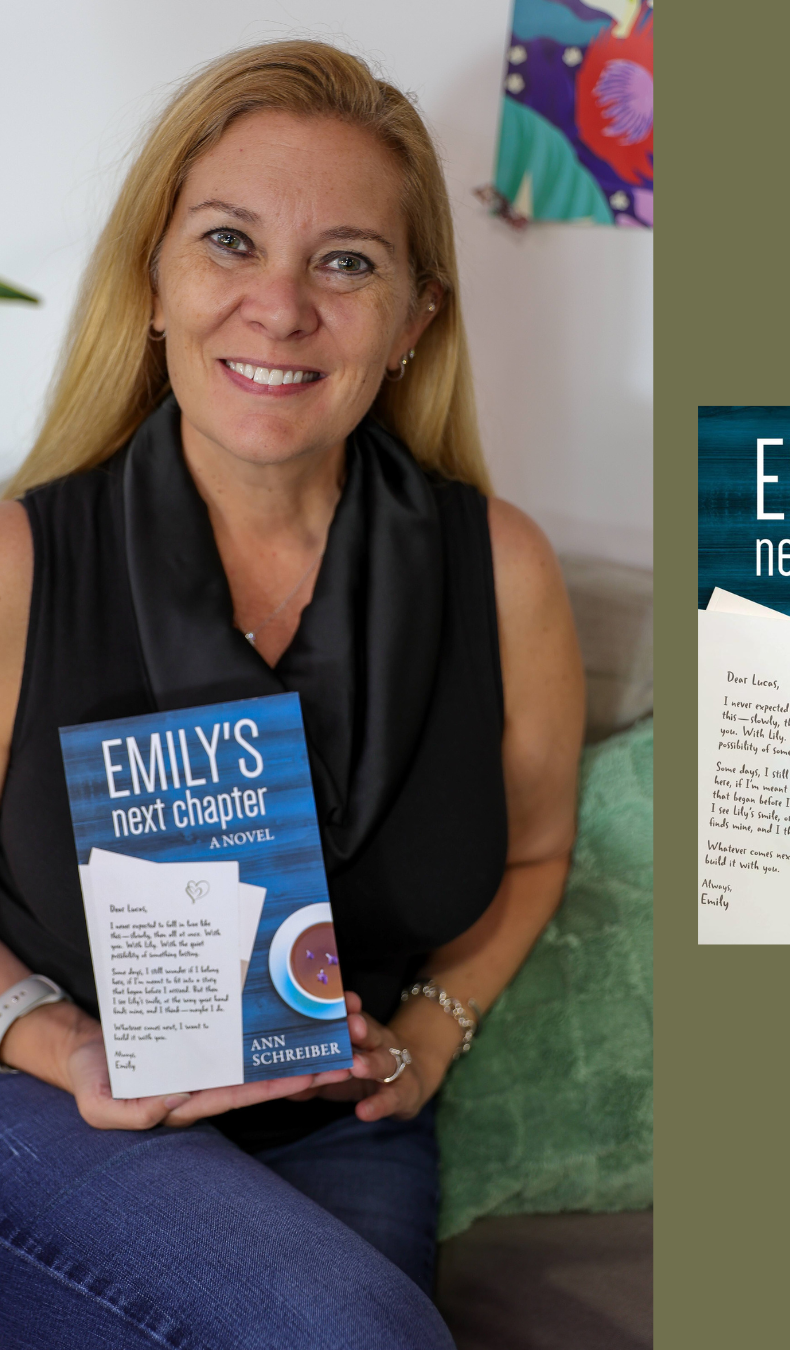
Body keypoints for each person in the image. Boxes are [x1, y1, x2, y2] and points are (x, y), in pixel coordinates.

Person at [0, 39, 584, 1349]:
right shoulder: (19, 561)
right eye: (229, 242)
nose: (281, 306)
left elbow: (540, 847)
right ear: (152, 280)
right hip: (41, 1102)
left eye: (346, 262)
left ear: (414, 319)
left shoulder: (499, 570)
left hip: (341, 1126)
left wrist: (432, 1031)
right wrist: (55, 1044)